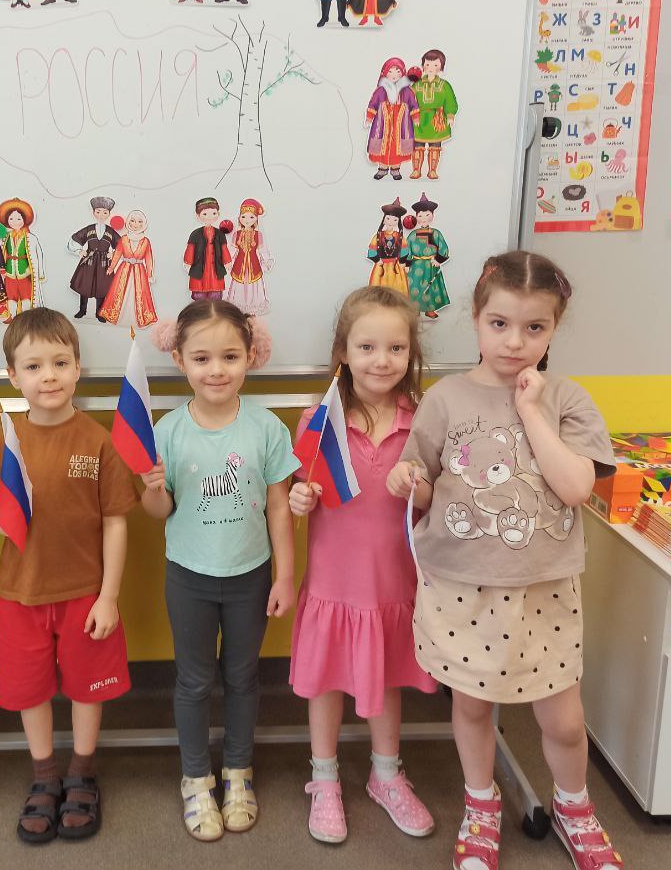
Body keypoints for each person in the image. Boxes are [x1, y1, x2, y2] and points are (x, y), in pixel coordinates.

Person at [387, 251, 623, 870]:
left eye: (534, 328)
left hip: (544, 587)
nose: (515, 342)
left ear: (553, 328)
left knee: (564, 719)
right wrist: (408, 481)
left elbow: (575, 487)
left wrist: (530, 409)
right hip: (463, 584)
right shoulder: (444, 398)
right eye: (499, 324)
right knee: (472, 707)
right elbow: (425, 486)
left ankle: (574, 809)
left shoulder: (567, 399)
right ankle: (481, 803)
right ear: (475, 319)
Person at [0, 308, 138, 843]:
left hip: (85, 595)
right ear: (13, 376)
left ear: (77, 368)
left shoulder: (98, 440)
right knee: (30, 689)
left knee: (88, 688)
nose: (49, 376)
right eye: (34, 366)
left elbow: (115, 523)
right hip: (19, 594)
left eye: (60, 363)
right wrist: (1, 520)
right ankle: (45, 774)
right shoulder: (2, 441)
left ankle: (82, 772)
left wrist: (108, 597)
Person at [141, 300, 298, 842]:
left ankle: (237, 772)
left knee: (243, 676)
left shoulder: (267, 428)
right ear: (180, 360)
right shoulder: (167, 431)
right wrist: (151, 488)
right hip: (188, 576)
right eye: (202, 358)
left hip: (251, 575)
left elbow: (279, 506)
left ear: (250, 356)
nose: (216, 370)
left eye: (230, 356)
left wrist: (285, 576)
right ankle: (195, 777)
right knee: (193, 680)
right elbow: (160, 510)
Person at [289, 286, 436, 845]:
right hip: (333, 583)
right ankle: (324, 779)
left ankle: (386, 775)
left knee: (387, 678)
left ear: (411, 353)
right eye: (367, 347)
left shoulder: (422, 421)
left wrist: (418, 486)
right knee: (325, 682)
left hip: (392, 586)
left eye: (396, 348)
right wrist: (300, 498)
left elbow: (435, 502)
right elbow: (299, 489)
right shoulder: (318, 420)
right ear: (344, 353)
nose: (382, 360)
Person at [365, 57, 420, 180]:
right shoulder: (380, 90)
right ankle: (382, 169)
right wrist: (369, 118)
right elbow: (373, 104)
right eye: (390, 72)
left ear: (402, 73)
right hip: (382, 124)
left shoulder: (407, 91)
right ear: (385, 73)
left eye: (398, 71)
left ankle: (395, 169)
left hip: (401, 125)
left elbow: (413, 104)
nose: (394, 75)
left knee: (398, 147)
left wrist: (416, 117)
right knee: (382, 146)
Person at [101, 209, 158, 328]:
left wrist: (150, 274)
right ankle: (117, 314)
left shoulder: (146, 241)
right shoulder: (124, 239)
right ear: (128, 222)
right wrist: (111, 267)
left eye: (139, 222)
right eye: (133, 221)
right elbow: (117, 253)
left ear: (144, 224)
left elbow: (149, 258)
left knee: (140, 292)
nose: (136, 224)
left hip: (139, 271)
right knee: (119, 289)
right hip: (124, 269)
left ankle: (139, 317)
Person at [68, 195, 120, 321]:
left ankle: (99, 313)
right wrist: (79, 251)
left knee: (102, 287)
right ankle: (82, 310)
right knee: (85, 285)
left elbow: (121, 245)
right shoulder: (89, 229)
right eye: (98, 212)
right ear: (93, 213)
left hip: (104, 263)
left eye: (105, 212)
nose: (101, 215)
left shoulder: (110, 231)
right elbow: (75, 239)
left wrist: (113, 254)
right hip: (89, 262)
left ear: (109, 214)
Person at [409, 48, 458, 180]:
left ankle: (432, 170)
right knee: (417, 146)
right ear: (423, 65)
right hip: (419, 120)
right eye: (428, 64)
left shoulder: (444, 85)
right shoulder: (416, 85)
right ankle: (416, 170)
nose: (431, 67)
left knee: (435, 146)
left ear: (441, 67)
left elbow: (450, 100)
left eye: (435, 64)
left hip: (437, 119)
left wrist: (450, 115)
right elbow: (410, 101)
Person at [404, 193, 450, 319]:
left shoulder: (436, 233)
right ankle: (415, 308)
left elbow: (444, 248)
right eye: (420, 216)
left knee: (431, 286)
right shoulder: (412, 235)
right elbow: (407, 249)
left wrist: (439, 259)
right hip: (415, 266)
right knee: (414, 286)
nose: (423, 218)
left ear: (433, 216)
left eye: (427, 215)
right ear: (416, 217)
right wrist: (407, 263)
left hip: (431, 265)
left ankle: (430, 309)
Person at [224, 198, 272, 316]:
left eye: (251, 217)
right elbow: (232, 250)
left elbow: (262, 250)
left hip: (254, 264)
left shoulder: (258, 235)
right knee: (239, 284)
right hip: (239, 263)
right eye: (244, 217)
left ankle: (252, 305)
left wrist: (267, 261)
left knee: (253, 285)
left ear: (256, 219)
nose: (247, 220)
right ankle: (239, 304)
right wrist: (227, 261)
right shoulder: (236, 234)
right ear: (239, 218)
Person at [0, 197, 46, 317]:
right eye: (11, 219)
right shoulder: (6, 236)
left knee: (26, 296)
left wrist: (39, 273)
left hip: (24, 273)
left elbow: (38, 254)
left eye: (18, 219)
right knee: (10, 296)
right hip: (9, 273)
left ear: (24, 220)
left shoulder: (31, 238)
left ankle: (25, 316)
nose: (15, 222)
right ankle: (12, 316)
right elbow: (0, 251)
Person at [183, 197, 232, 301]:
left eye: (213, 213)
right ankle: (201, 305)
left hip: (215, 267)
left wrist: (227, 261)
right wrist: (188, 262)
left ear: (218, 213)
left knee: (215, 291)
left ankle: (214, 304)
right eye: (205, 214)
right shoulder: (195, 234)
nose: (209, 217)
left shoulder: (220, 234)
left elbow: (224, 248)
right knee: (199, 293)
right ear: (198, 216)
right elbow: (190, 249)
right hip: (199, 267)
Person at [366, 197, 410, 294]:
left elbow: (405, 250)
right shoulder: (378, 236)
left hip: (396, 268)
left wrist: (404, 262)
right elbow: (371, 251)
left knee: (398, 290)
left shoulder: (400, 237)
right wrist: (377, 260)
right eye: (388, 218)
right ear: (384, 220)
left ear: (398, 222)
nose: (391, 222)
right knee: (380, 291)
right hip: (381, 267)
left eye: (395, 220)